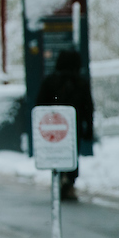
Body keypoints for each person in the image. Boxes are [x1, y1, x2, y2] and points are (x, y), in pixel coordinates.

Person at [36, 49, 95, 201]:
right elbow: (88, 107)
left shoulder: (50, 81)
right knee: (72, 154)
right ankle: (70, 181)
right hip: (74, 126)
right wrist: (88, 127)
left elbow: (40, 104)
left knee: (56, 151)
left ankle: (59, 177)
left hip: (53, 127)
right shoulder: (81, 82)